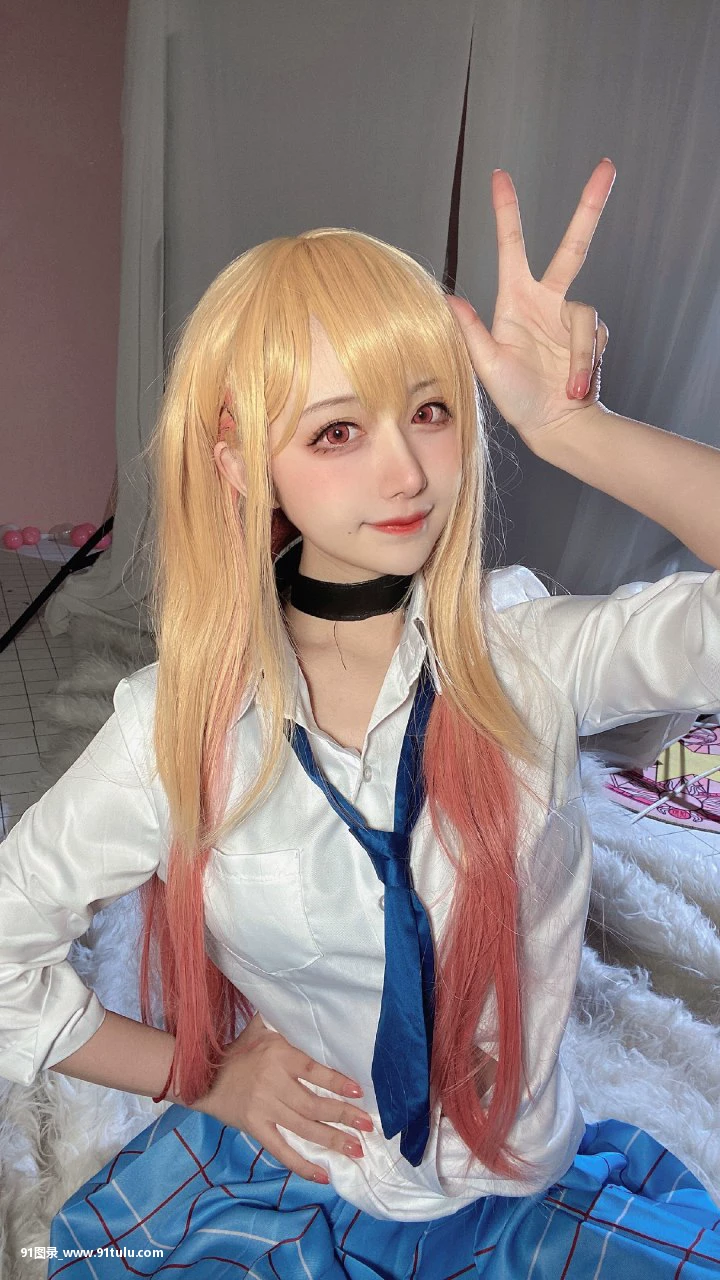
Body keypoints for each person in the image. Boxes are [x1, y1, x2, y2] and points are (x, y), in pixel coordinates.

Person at [1, 159, 719, 1277]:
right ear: (244, 464)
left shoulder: (527, 654)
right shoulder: (173, 727)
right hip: (295, 1187)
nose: (407, 473)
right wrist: (204, 1075)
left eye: (429, 411)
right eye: (336, 432)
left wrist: (575, 428)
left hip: (526, 1189)